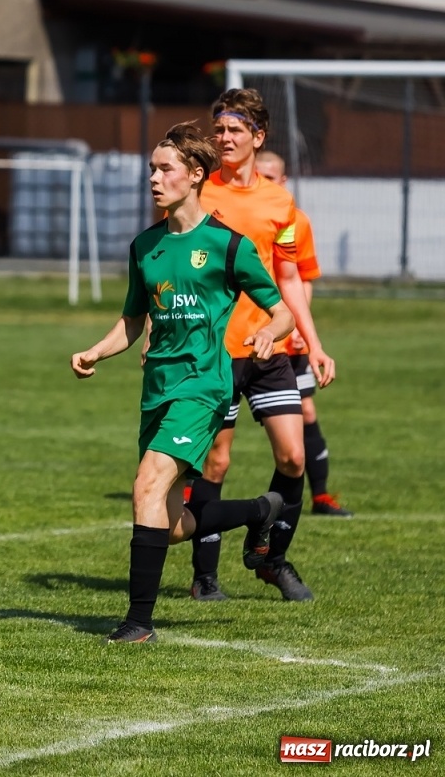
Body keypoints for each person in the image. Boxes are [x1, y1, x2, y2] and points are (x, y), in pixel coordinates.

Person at [72, 122, 294, 643]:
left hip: (203, 387)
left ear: (195, 175)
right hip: (157, 389)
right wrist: (95, 351)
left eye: (164, 168)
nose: (153, 177)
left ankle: (138, 623)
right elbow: (132, 320)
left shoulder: (228, 245)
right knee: (168, 524)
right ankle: (260, 511)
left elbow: (280, 312)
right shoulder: (145, 246)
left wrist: (266, 335)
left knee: (146, 485)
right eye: (151, 168)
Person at [187, 89, 335, 603]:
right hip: (216, 352)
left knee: (293, 457)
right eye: (219, 130)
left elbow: (289, 279)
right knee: (216, 464)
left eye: (234, 131)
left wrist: (312, 342)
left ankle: (271, 558)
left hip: (271, 351)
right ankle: (205, 577)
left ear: (258, 137)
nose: (224, 139)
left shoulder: (280, 202)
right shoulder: (198, 192)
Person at [255, 151, 351, 517]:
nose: (264, 181)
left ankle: (321, 496)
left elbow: (300, 277)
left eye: (271, 176)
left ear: (283, 181)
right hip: (246, 335)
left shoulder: (295, 219)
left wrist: (298, 327)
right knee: (216, 431)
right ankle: (188, 496)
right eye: (258, 175)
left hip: (286, 335)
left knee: (306, 412)